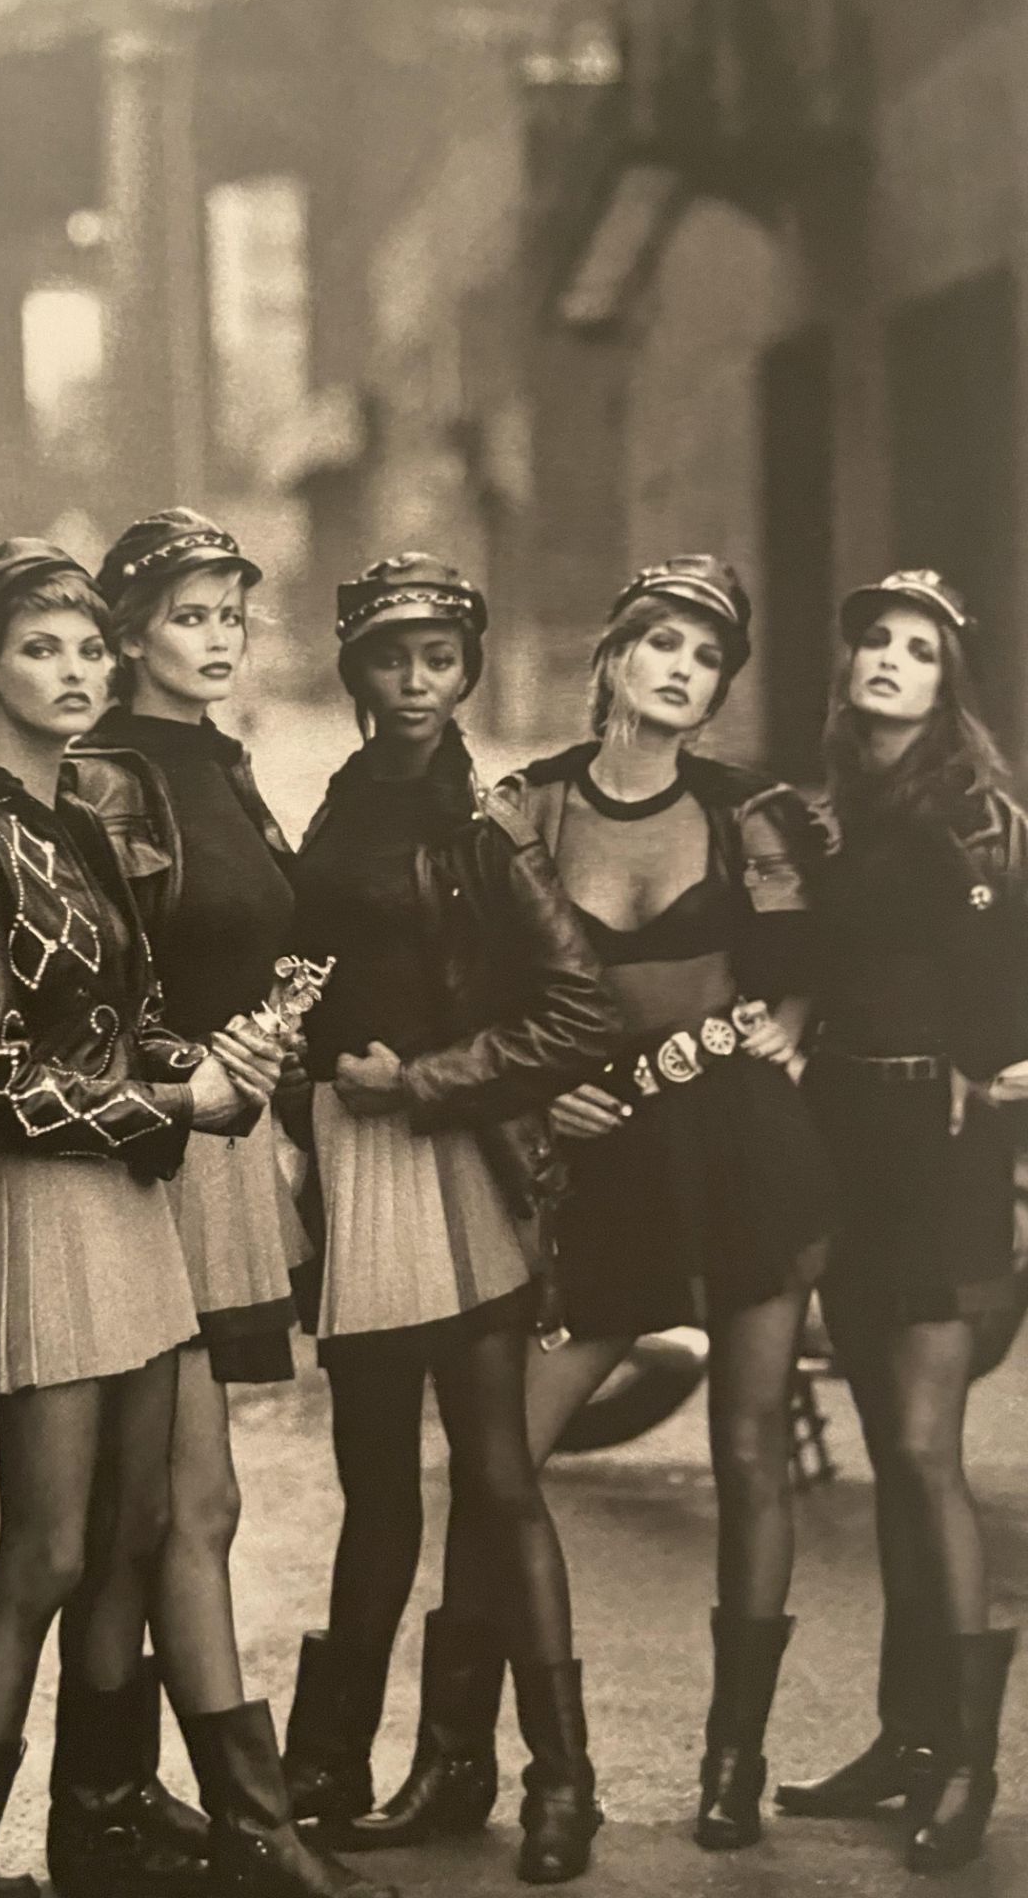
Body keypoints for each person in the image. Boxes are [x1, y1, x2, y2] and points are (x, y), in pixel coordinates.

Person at [370, 556, 837, 1862]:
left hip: (744, 1159)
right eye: (665, 645)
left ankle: (731, 1765)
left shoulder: (752, 817)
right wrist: (534, 1111)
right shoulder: (524, 813)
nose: (685, 671)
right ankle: (518, 1773)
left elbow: (800, 982)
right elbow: (480, 1000)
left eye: (709, 658)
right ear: (615, 656)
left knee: (752, 1457)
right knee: (500, 1457)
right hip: (599, 1172)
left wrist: (772, 1040)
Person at [0, 541, 301, 1898]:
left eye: (83, 649)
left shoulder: (77, 820)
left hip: (130, 1203)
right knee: (48, 1548)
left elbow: (127, 1021)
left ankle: (113, 1831)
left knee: (124, 1535)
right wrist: (170, 1110)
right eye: (39, 650)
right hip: (48, 1207)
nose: (72, 672)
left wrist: (207, 1067)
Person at [48, 509, 390, 1898]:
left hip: (231, 1144)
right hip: (157, 1149)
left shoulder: (223, 765)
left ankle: (110, 1806)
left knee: (160, 1508)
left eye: (233, 615)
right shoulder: (109, 780)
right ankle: (247, 1824)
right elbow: (90, 998)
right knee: (192, 1499)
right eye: (190, 616)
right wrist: (204, 1062)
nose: (218, 639)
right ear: (129, 636)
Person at [281, 554, 617, 1885]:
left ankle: (560, 1782)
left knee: (493, 1475)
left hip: (457, 1155)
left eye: (439, 659)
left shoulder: (489, 817)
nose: (416, 683)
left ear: (466, 668)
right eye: (390, 658)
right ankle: (326, 1768)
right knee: (373, 1488)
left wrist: (420, 1083)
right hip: (352, 1166)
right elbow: (307, 970)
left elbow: (576, 1006)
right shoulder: (337, 803)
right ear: (355, 669)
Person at [775, 570, 1023, 1871]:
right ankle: (906, 1737)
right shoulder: (848, 815)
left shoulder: (975, 822)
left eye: (918, 648)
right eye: (873, 638)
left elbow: (1006, 991)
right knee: (889, 1455)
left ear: (947, 681)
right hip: (852, 1157)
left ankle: (971, 1765)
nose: (886, 658)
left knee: (927, 1452)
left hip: (942, 1158)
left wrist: (1005, 1061)